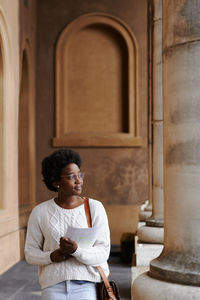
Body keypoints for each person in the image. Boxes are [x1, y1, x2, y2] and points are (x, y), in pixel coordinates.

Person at [24, 148, 110, 300]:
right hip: (53, 287)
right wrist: (52, 256)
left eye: (80, 174)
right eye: (71, 177)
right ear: (56, 181)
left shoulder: (95, 208)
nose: (79, 180)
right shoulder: (40, 212)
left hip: (87, 286)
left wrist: (76, 251)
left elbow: (103, 252)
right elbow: (30, 253)